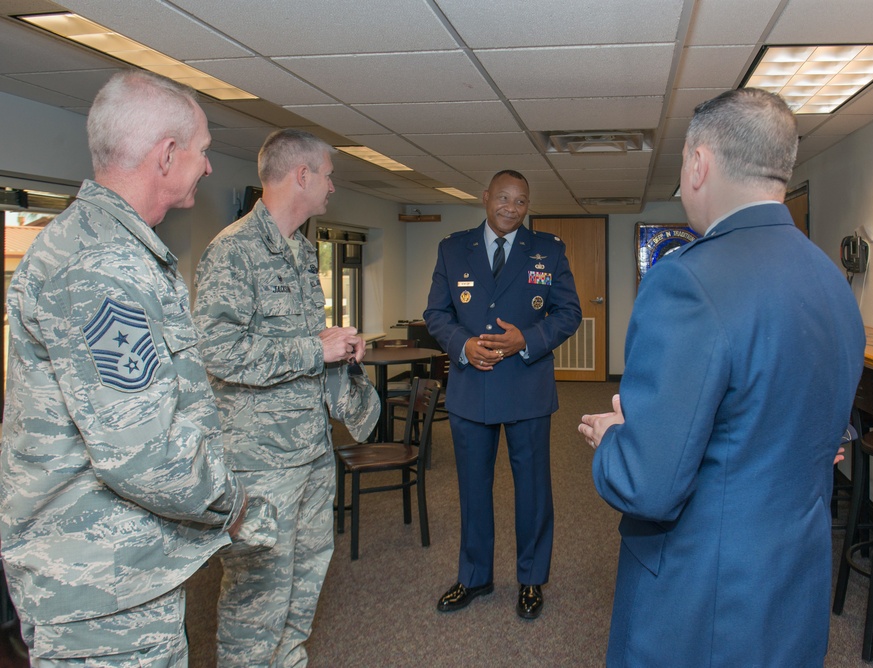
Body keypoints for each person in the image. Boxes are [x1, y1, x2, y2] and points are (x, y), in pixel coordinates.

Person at [579, 88, 866, 667]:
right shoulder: (832, 281)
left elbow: (649, 486)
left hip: (704, 598)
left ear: (698, 163)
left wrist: (613, 438)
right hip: (793, 583)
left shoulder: (685, 281)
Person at [0, 70, 250, 666]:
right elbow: (143, 453)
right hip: (97, 590)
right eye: (203, 151)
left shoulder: (109, 247)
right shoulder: (102, 264)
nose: (209, 167)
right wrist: (230, 499)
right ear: (167, 156)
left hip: (117, 575)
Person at [192, 128, 378, 667]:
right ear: (302, 176)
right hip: (261, 466)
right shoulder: (234, 252)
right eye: (329, 175)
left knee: (302, 592)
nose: (332, 188)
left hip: (312, 452)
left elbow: (301, 347)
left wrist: (337, 349)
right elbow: (219, 353)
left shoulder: (300, 252)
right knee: (258, 606)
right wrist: (310, 350)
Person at [424, 169, 582, 619]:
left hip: (526, 389)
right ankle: (474, 577)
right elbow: (436, 313)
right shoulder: (453, 249)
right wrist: (463, 345)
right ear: (486, 197)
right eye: (504, 198)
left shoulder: (548, 251)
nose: (511, 208)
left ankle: (531, 580)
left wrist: (527, 341)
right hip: (471, 390)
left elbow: (568, 312)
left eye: (521, 201)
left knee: (533, 490)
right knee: (473, 490)